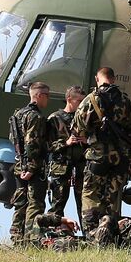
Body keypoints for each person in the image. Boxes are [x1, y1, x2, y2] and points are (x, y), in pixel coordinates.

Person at [72, 66, 131, 238]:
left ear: (97, 79)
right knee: (113, 198)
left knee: (91, 195)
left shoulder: (90, 100)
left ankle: (91, 236)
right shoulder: (125, 101)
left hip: (98, 156)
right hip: (120, 159)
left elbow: (77, 130)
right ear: (114, 79)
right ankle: (112, 234)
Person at [7, 81, 51, 246]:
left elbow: (13, 139)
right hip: (33, 168)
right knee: (35, 205)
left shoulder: (18, 115)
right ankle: (32, 241)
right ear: (38, 96)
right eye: (46, 95)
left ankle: (17, 239)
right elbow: (32, 143)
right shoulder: (36, 117)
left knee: (20, 203)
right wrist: (32, 167)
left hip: (19, 165)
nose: (48, 99)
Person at [47, 85, 87, 220]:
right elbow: (46, 145)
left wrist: (87, 140)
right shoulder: (54, 119)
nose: (82, 105)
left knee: (85, 204)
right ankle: (54, 233)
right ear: (69, 99)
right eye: (79, 101)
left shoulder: (84, 120)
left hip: (82, 167)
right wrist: (66, 143)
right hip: (62, 166)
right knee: (58, 202)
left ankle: (89, 235)